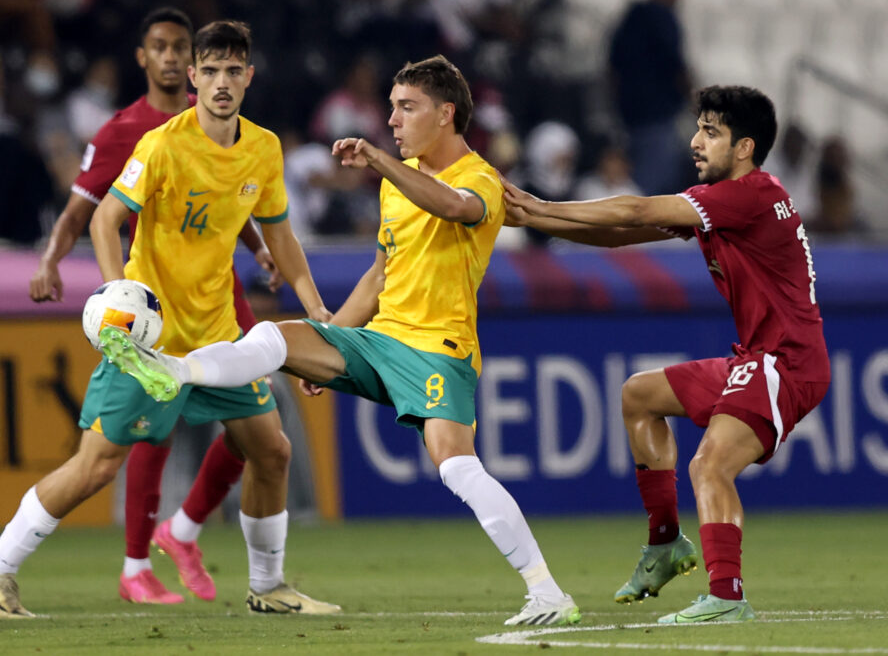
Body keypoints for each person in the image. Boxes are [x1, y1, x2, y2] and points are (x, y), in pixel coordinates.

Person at [105, 55, 582, 628]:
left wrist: (381, 161)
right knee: (277, 337)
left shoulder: (477, 177)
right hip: (379, 342)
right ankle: (174, 371)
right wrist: (328, 342)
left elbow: (453, 208)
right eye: (391, 109)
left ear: (446, 113)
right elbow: (378, 277)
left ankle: (546, 591)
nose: (395, 120)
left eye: (407, 108)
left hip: (438, 350)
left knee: (456, 468)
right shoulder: (398, 187)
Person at [0, 19, 340, 618]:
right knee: (96, 466)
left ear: (248, 77)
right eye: (210, 71)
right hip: (151, 344)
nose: (221, 82)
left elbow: (280, 235)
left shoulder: (264, 149)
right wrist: (123, 297)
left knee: (271, 451)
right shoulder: (163, 143)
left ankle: (268, 587)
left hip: (218, 339)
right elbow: (103, 219)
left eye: (232, 71)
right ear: (193, 77)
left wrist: (314, 301)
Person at [503, 85, 830, 623]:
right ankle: (665, 543)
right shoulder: (723, 202)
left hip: (785, 362)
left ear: (744, 148)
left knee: (709, 466)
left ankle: (726, 596)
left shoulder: (748, 194)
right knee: (639, 394)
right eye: (698, 128)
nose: (697, 141)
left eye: (711, 132)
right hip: (758, 356)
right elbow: (623, 233)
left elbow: (632, 205)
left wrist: (540, 204)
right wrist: (534, 221)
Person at [28, 8, 287, 606]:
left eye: (178, 47)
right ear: (147, 60)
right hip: (154, 300)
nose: (171, 58)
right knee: (149, 434)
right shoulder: (131, 133)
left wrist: (263, 249)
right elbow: (86, 211)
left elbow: (234, 200)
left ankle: (187, 530)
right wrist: (53, 261)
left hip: (222, 292)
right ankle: (137, 562)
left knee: (260, 429)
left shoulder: (245, 135)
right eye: (161, 49)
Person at [607, 0, 693, 196]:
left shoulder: (630, 19)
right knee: (654, 186)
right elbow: (676, 66)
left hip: (630, 115)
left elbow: (613, 69)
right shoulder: (663, 18)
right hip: (657, 116)